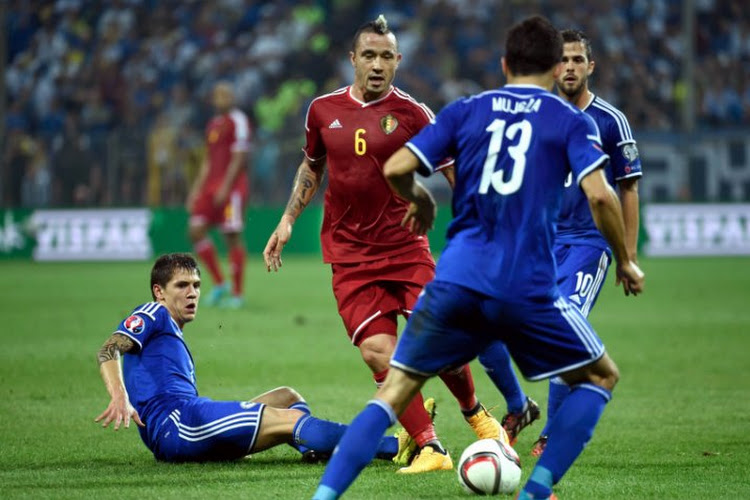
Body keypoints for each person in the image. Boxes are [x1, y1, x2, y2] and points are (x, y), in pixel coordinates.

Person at [311, 15, 645, 500]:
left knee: (393, 392)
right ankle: (536, 490)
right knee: (600, 375)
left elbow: (398, 165)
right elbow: (602, 196)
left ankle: (324, 496)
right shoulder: (569, 119)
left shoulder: (467, 110)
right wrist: (626, 259)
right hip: (525, 283)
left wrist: (420, 198)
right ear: (556, 68)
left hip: (458, 279)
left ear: (505, 63)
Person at [263, 15, 501, 474]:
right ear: (352, 59)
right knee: (376, 351)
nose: (376, 65)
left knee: (442, 338)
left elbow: (455, 172)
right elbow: (312, 167)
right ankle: (429, 444)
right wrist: (288, 218)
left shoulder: (414, 114)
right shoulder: (321, 110)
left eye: (386, 57)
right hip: (349, 254)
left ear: (398, 61)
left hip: (406, 246)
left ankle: (475, 413)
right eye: (368, 55)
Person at [94, 252, 399, 463]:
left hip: (183, 424)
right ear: (159, 291)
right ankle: (394, 446)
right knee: (291, 419)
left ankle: (313, 447)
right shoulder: (154, 312)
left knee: (286, 397)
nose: (192, 293)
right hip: (178, 423)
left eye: (197, 286)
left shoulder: (170, 331)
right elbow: (108, 349)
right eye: (182, 286)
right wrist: (120, 395)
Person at [186, 82, 251, 309]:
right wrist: (196, 189)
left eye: (226, 94)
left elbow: (239, 156)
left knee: (231, 235)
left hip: (231, 187)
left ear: (232, 97)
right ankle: (220, 283)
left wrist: (226, 186)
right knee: (195, 229)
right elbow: (208, 160)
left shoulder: (238, 120)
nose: (222, 98)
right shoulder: (213, 124)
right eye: (218, 95)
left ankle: (237, 293)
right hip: (210, 186)